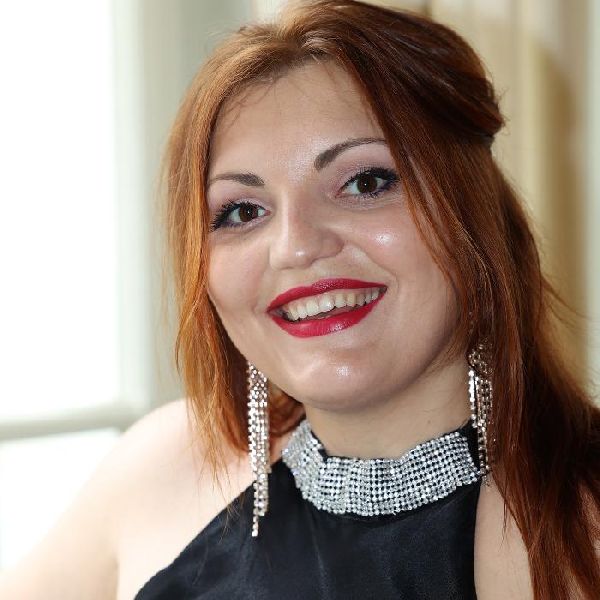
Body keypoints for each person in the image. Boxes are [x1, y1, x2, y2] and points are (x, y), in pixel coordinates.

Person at [1, 0, 599, 598]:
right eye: (242, 211)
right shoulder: (164, 468)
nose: (294, 247)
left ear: (473, 207)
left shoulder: (572, 528)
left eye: (366, 182)